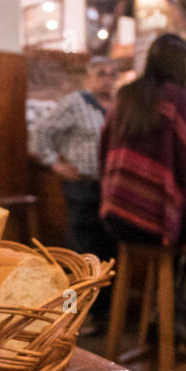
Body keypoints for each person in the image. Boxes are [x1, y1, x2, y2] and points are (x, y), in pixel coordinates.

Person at [100, 33, 186, 355]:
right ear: (178, 63)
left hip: (116, 213)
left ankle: (159, 320)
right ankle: (174, 319)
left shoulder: (126, 94)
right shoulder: (177, 97)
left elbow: (104, 145)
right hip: (157, 221)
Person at [34, 57, 117, 260]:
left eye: (112, 74)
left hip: (112, 189)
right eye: (101, 74)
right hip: (82, 187)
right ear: (89, 78)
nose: (107, 79)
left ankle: (106, 292)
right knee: (82, 250)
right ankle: (81, 291)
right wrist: (54, 163)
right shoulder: (75, 102)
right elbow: (41, 132)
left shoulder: (119, 106)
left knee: (108, 250)